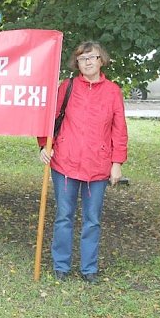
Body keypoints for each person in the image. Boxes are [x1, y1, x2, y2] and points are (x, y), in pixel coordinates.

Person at [38, 41, 128, 283]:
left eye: (92, 57)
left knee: (92, 220)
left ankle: (89, 269)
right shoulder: (66, 87)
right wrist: (43, 146)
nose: (87, 62)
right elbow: (47, 119)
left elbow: (119, 129)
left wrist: (117, 162)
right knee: (64, 216)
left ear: (101, 60)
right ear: (76, 63)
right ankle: (61, 266)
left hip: (98, 167)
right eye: (82, 58)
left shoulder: (112, 91)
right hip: (65, 163)